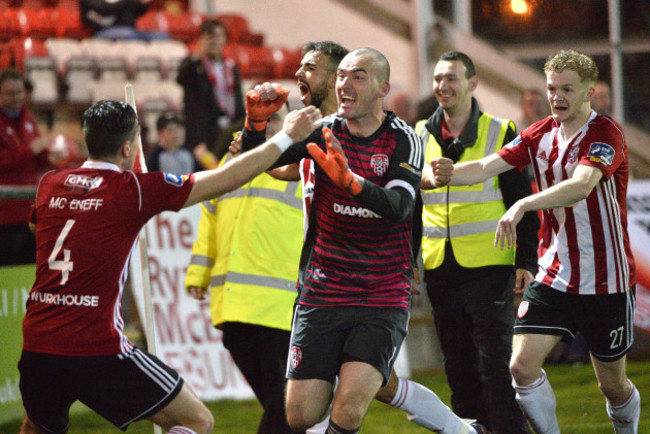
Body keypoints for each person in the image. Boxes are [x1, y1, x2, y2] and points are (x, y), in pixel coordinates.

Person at [17, 99, 323, 434]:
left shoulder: (50, 183)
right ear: (127, 147)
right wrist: (287, 136)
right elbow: (226, 177)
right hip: (97, 346)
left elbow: (38, 226)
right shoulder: (132, 190)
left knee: (36, 426)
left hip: (38, 342)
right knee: (196, 421)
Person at [240, 42, 487, 434]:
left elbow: (399, 206)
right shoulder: (321, 131)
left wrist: (351, 183)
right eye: (341, 77)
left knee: (349, 408)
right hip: (321, 291)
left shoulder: (405, 138)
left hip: (380, 293)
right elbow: (259, 163)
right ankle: (463, 430)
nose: (345, 84)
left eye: (358, 76)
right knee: (300, 416)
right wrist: (254, 126)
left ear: (382, 88)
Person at [429, 49, 640, 434]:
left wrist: (523, 203)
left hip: (605, 277)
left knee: (612, 385)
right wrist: (447, 172)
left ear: (589, 92)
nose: (557, 97)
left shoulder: (605, 132)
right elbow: (485, 166)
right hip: (555, 273)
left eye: (567, 89)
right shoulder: (540, 133)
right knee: (520, 367)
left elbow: (581, 186)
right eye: (551, 88)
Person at [418, 51, 538, 433]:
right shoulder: (418, 134)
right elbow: (408, 206)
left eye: (451, 78)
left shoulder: (501, 130)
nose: (443, 86)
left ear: (472, 83)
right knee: (457, 363)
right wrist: (408, 264)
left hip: (491, 264)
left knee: (494, 362)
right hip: (438, 266)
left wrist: (526, 260)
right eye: (438, 78)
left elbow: (523, 200)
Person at [185, 103, 304, 434]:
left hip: (281, 307)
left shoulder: (303, 164)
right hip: (233, 306)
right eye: (259, 119)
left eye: (275, 118)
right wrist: (199, 273)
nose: (266, 126)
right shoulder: (229, 162)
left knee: (286, 406)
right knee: (283, 407)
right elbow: (208, 220)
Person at [0, 68, 64, 266]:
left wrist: (48, 158)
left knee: (29, 268)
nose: (16, 97)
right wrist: (31, 150)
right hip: (5, 215)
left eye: (19, 92)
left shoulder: (26, 118)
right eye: (10, 93)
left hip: (30, 212)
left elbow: (35, 155)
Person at [177, 19, 244, 162]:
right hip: (203, 137)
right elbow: (181, 78)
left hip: (228, 132)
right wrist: (198, 53)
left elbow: (238, 102)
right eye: (210, 37)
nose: (214, 41)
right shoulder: (195, 66)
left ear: (225, 39)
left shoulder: (231, 68)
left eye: (218, 36)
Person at [80, 0, 167, 40]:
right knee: (128, 34)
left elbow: (135, 12)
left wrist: (143, 3)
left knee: (161, 37)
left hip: (131, 31)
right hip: (102, 31)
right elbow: (105, 9)